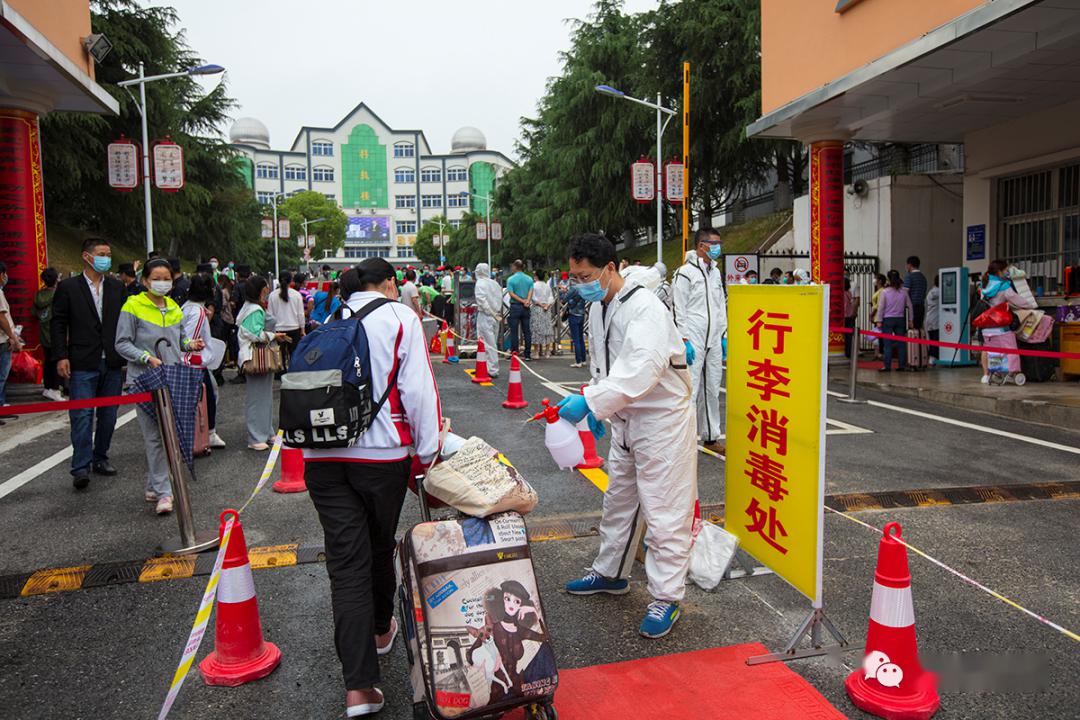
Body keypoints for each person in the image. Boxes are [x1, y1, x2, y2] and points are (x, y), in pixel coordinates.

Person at [303, 259, 441, 718]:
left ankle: (359, 689)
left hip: (321, 458)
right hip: (381, 457)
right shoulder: (402, 317)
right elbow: (420, 392)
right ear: (388, 284)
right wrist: (427, 455)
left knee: (346, 564)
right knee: (380, 546)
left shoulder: (329, 319)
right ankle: (382, 630)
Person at [559, 234, 696, 639]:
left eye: (584, 275)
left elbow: (640, 369)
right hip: (625, 419)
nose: (578, 283)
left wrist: (591, 402)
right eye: (573, 276)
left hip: (661, 423)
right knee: (619, 501)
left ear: (610, 268)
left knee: (664, 510)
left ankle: (667, 598)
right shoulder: (600, 306)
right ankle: (610, 572)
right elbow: (607, 365)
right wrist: (601, 402)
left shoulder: (644, 308)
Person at [115, 258, 205, 514]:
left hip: (172, 378)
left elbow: (179, 340)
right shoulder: (133, 306)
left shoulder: (175, 307)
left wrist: (190, 344)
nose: (162, 283)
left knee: (170, 434)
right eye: (157, 278)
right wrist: (146, 358)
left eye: (167, 278)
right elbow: (121, 343)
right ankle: (165, 493)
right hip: (144, 380)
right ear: (145, 281)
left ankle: (154, 485)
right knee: (155, 437)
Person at [51, 238, 126, 489]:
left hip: (112, 361)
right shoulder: (69, 287)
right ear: (87, 256)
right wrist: (61, 356)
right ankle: (80, 466)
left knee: (109, 415)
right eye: (102, 253)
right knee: (82, 415)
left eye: (108, 253)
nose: (106, 257)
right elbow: (58, 323)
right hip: (82, 361)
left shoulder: (116, 287)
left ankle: (100, 456)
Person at [672, 228, 728, 454]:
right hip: (693, 338)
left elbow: (720, 304)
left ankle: (711, 436)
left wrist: (723, 335)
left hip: (714, 337)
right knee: (690, 390)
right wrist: (683, 339)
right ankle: (683, 438)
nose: (717, 247)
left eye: (719, 243)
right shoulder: (684, 273)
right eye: (713, 243)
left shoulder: (715, 272)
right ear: (701, 245)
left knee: (713, 388)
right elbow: (678, 307)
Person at [237, 277, 287, 450]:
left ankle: (266, 433)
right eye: (265, 288)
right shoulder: (256, 309)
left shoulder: (250, 307)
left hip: (256, 356)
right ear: (260, 290)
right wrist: (274, 336)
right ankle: (256, 437)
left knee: (263, 397)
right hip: (257, 356)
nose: (267, 291)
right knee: (258, 398)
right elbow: (254, 334)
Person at [182, 274, 226, 449]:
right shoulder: (198, 313)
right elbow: (190, 342)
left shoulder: (187, 307)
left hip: (193, 362)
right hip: (195, 363)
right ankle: (207, 434)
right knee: (207, 398)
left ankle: (205, 434)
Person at [977, 260, 1037, 383]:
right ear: (999, 272)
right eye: (1005, 270)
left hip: (987, 327)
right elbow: (1018, 300)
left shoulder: (984, 285)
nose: (1007, 272)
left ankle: (996, 371)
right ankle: (1013, 372)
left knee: (993, 351)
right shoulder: (1004, 286)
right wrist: (1031, 304)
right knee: (1011, 349)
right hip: (1001, 325)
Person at [34, 267, 64, 401]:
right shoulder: (58, 294)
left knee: (48, 361)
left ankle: (47, 388)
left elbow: (33, 312)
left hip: (43, 331)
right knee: (58, 360)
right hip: (56, 331)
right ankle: (56, 390)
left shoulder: (39, 295)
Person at [267, 271, 305, 373]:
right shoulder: (297, 295)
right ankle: (293, 371)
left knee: (280, 354)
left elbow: (270, 315)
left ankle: (281, 371)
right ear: (291, 281)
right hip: (294, 328)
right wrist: (302, 329)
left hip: (278, 330)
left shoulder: (272, 295)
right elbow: (300, 314)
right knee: (294, 353)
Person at [875, 270, 913, 372]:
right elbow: (909, 306)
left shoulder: (885, 292)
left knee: (887, 344)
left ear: (888, 279)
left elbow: (881, 307)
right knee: (901, 343)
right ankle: (902, 365)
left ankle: (887, 366)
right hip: (900, 319)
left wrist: (879, 320)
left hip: (887, 319)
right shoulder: (904, 291)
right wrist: (910, 319)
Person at [0, 261, 21, 416]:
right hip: (1, 340)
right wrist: (12, 336)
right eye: (4, 273)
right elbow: (1, 318)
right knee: (2, 376)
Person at [474, 263, 502, 377]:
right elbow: (499, 298)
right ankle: (485, 366)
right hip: (495, 316)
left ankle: (492, 369)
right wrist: (495, 313)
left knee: (486, 343)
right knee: (492, 342)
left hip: (485, 315)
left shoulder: (480, 283)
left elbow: (482, 300)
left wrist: (490, 311)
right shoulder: (494, 283)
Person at [505, 260, 533, 359]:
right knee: (527, 331)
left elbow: (511, 293)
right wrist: (527, 301)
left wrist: (521, 301)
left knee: (514, 331)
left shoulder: (511, 279)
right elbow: (530, 291)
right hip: (526, 307)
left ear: (515, 267)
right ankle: (527, 354)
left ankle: (515, 353)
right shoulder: (529, 279)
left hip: (515, 306)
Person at [560, 278, 588, 367]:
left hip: (574, 314)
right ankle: (583, 360)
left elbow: (564, 299)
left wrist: (564, 291)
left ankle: (578, 361)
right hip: (582, 314)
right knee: (580, 338)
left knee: (576, 339)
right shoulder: (583, 288)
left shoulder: (574, 288)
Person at [530, 269, 555, 357]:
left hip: (537, 309)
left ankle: (536, 352)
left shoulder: (533, 286)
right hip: (547, 309)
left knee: (536, 329)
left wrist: (541, 304)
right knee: (547, 329)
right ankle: (547, 351)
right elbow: (551, 297)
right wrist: (547, 305)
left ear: (536, 276)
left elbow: (533, 298)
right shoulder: (547, 286)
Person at [903, 255, 927, 330]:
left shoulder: (909, 277)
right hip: (921, 307)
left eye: (906, 265)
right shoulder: (923, 277)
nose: (906, 267)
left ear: (909, 265)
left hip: (911, 308)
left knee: (910, 330)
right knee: (918, 329)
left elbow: (905, 293)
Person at [871, 273, 887, 360]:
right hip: (876, 316)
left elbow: (878, 305)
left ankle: (880, 353)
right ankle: (877, 353)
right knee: (877, 335)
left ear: (880, 281)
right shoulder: (878, 290)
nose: (874, 280)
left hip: (878, 316)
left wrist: (872, 313)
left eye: (875, 278)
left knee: (880, 336)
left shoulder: (881, 291)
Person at [925, 276, 941, 365]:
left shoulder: (931, 292)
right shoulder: (940, 292)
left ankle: (931, 357)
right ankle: (933, 357)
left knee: (931, 338)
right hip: (936, 318)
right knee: (936, 338)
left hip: (930, 317)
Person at [843, 277, 859, 359]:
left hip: (844, 316)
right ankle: (849, 352)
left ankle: (846, 351)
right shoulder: (849, 293)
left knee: (845, 336)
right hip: (850, 315)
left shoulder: (842, 294)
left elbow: (844, 306)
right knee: (849, 335)